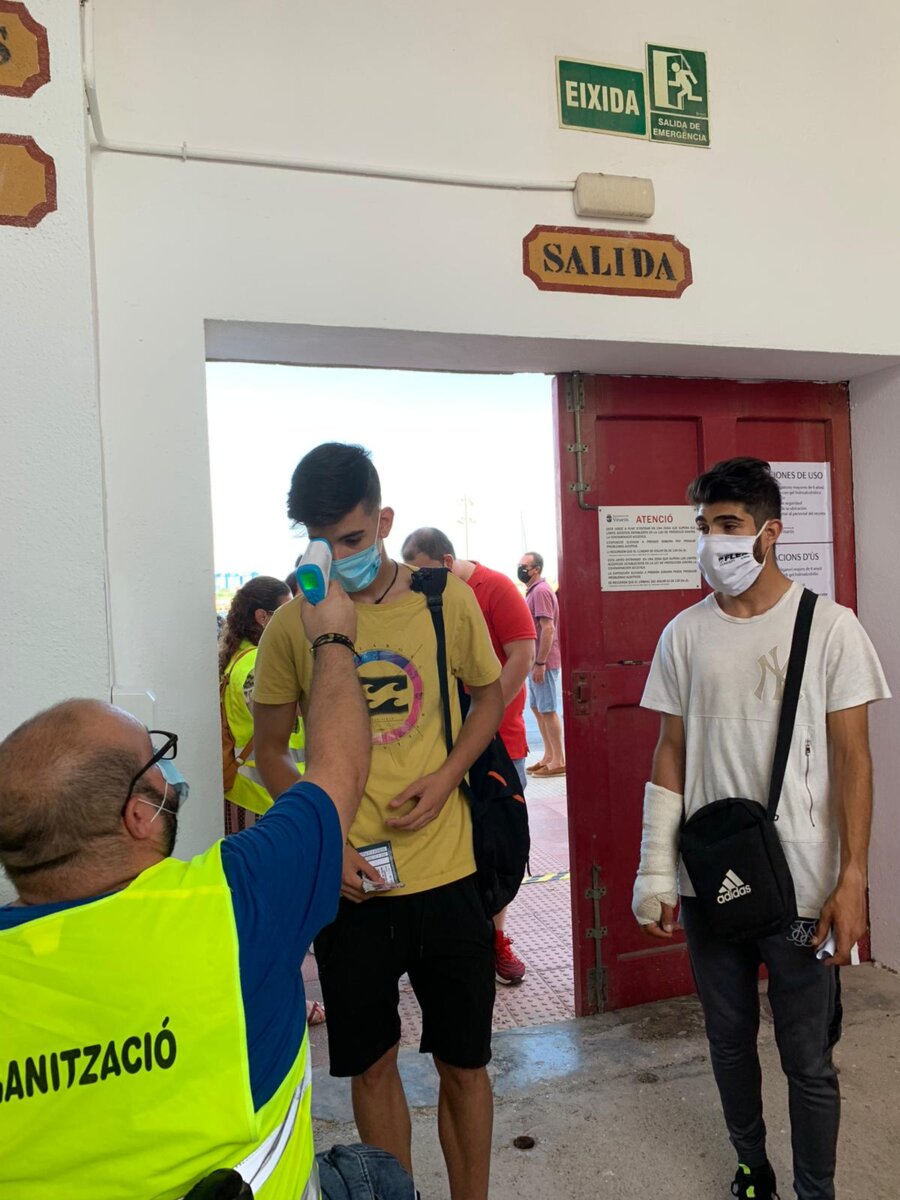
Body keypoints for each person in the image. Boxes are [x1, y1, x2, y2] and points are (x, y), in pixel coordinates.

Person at [0, 584, 415, 1199]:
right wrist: (333, 637)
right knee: (376, 1177)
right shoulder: (234, 901)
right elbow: (337, 774)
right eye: (155, 760)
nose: (168, 772)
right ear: (138, 815)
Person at [632, 457, 891, 1200]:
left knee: (808, 1058)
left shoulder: (831, 628)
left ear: (770, 532)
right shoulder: (684, 633)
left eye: (729, 525)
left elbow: (854, 759)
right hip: (711, 878)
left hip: (805, 883)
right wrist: (655, 870)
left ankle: (816, 1190)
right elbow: (670, 750)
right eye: (704, 526)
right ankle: (752, 1167)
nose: (713, 542)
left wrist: (853, 879)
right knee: (728, 1041)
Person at [253, 443, 504, 1200]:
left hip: (449, 873)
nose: (338, 557)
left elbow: (489, 696)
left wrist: (448, 775)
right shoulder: (293, 625)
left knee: (465, 1063)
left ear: (385, 521)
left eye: (354, 538)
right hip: (352, 886)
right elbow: (270, 751)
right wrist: (323, 842)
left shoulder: (444, 601)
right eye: (321, 542)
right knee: (372, 1066)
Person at [401, 526, 535, 986]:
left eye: (423, 573)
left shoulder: (494, 588)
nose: (418, 582)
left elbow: (523, 654)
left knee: (495, 845)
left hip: (497, 745)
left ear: (446, 561)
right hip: (441, 750)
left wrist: (484, 718)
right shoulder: (420, 597)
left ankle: (496, 938)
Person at [219, 575, 305, 818]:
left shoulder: (241, 656)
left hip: (258, 794)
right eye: (285, 611)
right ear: (262, 617)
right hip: (263, 798)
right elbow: (289, 712)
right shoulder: (257, 663)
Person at [517, 551, 565, 776]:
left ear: (536, 569)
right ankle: (549, 755)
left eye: (524, 566)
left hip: (542, 662)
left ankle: (558, 760)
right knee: (537, 708)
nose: (521, 570)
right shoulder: (534, 592)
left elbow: (548, 628)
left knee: (547, 709)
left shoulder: (541, 592)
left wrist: (540, 662)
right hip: (535, 661)